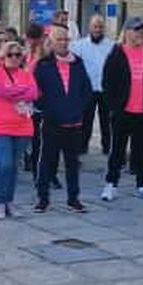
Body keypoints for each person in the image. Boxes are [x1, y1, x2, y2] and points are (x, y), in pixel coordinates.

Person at [101, 17, 143, 201]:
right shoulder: (117, 53)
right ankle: (111, 183)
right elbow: (107, 83)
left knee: (142, 151)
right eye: (136, 30)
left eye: (142, 30)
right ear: (127, 32)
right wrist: (113, 107)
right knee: (117, 150)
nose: (139, 34)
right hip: (123, 111)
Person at [33, 25, 92, 214]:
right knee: (47, 161)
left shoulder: (78, 63)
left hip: (74, 121)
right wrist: (47, 108)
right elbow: (35, 91)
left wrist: (78, 107)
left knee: (72, 162)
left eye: (66, 39)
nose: (63, 43)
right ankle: (43, 199)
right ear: (51, 42)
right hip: (52, 121)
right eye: (59, 39)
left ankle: (73, 198)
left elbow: (86, 90)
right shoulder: (44, 65)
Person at [0, 40, 38, 220]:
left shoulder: (26, 74)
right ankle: (0, 200)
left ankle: (9, 200)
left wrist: (13, 91)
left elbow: (34, 93)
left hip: (22, 126)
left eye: (17, 55)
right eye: (10, 55)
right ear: (2, 56)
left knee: (14, 166)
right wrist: (20, 92)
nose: (14, 58)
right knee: (4, 164)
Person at [72, 15, 113, 156]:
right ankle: (82, 147)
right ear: (89, 27)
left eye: (100, 26)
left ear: (104, 28)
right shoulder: (79, 45)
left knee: (106, 121)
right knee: (85, 120)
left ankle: (107, 147)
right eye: (95, 26)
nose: (97, 29)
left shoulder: (111, 46)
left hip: (105, 89)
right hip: (87, 88)